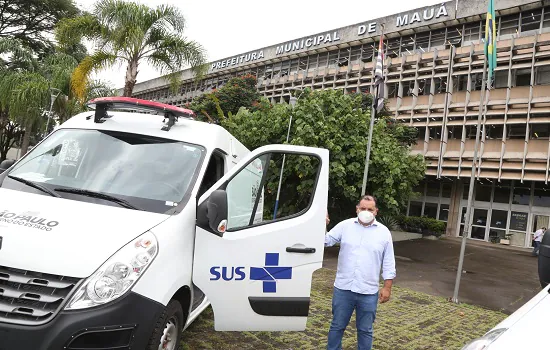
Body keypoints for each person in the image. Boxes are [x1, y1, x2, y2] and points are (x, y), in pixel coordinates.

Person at [324, 195, 396, 350]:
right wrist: (322, 225)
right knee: (337, 326)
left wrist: (387, 287)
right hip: (343, 289)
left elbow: (389, 262)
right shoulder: (345, 226)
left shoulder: (384, 233)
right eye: (363, 208)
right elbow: (326, 241)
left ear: (376, 211)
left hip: (368, 292)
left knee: (365, 330)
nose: (366, 211)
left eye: (370, 209)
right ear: (357, 209)